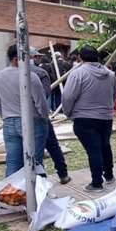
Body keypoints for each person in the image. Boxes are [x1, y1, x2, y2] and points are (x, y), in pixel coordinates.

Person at [62, 44, 115, 192]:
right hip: (105, 117)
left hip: (85, 117)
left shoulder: (78, 73)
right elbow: (113, 95)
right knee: (105, 145)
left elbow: (67, 96)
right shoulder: (110, 74)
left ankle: (97, 183)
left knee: (94, 150)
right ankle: (109, 175)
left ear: (80, 57)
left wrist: (68, 112)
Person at [0, 45, 49, 177]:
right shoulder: (30, 76)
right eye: (27, 57)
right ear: (17, 59)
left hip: (9, 121)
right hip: (32, 121)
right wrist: (44, 118)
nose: (30, 61)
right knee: (35, 162)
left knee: (13, 162)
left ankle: (13, 193)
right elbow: (40, 102)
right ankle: (36, 193)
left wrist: (5, 116)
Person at [29, 50, 69, 184]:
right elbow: (44, 94)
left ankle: (25, 185)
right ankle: (60, 175)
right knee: (50, 146)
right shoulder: (40, 73)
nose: (39, 59)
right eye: (37, 57)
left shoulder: (7, 74)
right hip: (38, 116)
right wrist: (43, 114)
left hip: (17, 118)